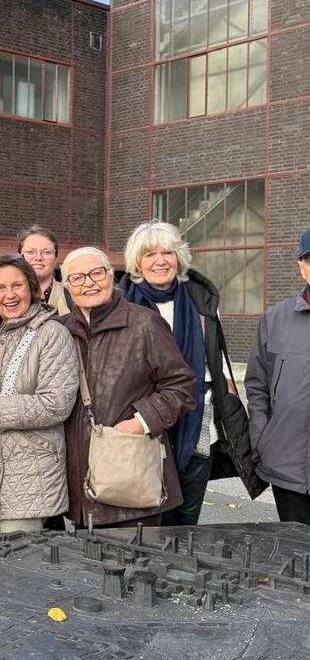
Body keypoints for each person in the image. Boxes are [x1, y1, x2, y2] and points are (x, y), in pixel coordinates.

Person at [121, 220, 258, 525]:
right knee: (148, 523)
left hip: (198, 423)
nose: (160, 260)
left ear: (179, 256)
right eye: (150, 254)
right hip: (144, 426)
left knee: (186, 524)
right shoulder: (122, 304)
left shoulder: (200, 299)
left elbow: (216, 359)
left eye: (167, 252)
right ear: (137, 262)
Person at [60, 247, 197, 528]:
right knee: (86, 571)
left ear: (112, 276)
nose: (89, 283)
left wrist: (142, 421)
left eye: (97, 273)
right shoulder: (60, 330)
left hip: (132, 479)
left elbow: (182, 385)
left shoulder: (144, 323)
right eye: (77, 278)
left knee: (138, 569)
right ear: (66, 286)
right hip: (80, 488)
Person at [0, 255, 78, 533]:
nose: (9, 295)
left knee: (20, 563)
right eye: (0, 288)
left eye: (18, 286)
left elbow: (56, 403)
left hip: (31, 474)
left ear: (31, 288)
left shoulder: (51, 334)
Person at [246, 229, 310, 524]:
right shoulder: (274, 319)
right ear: (300, 266)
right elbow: (257, 386)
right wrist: (263, 438)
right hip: (288, 467)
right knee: (295, 556)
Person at [18, 224, 70, 316]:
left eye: (46, 252)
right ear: (19, 257)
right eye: (31, 252)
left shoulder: (71, 297)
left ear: (55, 258)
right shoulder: (6, 297)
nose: (38, 257)